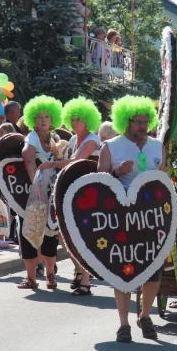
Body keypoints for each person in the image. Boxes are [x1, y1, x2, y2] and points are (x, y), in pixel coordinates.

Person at [97, 95, 165, 343]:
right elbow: (99, 183)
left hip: (151, 219)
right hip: (122, 220)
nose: (142, 127)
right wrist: (117, 172)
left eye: (145, 122)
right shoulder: (111, 146)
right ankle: (123, 323)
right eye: (137, 122)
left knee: (153, 271)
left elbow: (164, 180)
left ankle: (145, 316)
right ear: (125, 121)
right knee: (123, 271)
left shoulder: (157, 146)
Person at [16, 96, 64, 289]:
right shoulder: (32, 137)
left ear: (53, 119)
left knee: (50, 233)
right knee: (28, 231)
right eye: (38, 117)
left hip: (51, 192)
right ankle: (31, 278)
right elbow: (27, 157)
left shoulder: (55, 138)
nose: (42, 120)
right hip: (32, 194)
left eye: (46, 116)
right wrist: (35, 184)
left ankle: (50, 276)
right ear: (32, 119)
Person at [61, 97, 102, 296]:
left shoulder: (92, 140)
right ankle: (79, 270)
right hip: (72, 190)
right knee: (65, 235)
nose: (75, 122)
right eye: (73, 119)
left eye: (79, 119)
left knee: (85, 236)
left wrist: (52, 163)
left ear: (88, 120)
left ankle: (85, 282)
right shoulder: (72, 140)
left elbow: (75, 161)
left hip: (89, 193)